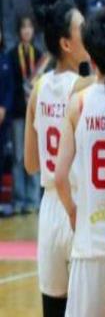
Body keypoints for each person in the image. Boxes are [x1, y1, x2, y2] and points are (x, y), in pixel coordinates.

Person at [54, 10, 105, 316]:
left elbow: (59, 176)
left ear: (90, 57)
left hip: (89, 240)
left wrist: (73, 212)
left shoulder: (78, 104)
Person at [24, 0, 89, 316]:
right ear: (66, 43)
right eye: (82, 28)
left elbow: (31, 164)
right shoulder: (87, 88)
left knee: (52, 309)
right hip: (79, 206)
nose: (88, 33)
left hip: (50, 209)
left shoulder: (38, 89)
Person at [9, 13, 44, 214]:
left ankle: (33, 199)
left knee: (34, 155)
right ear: (19, 31)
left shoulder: (39, 55)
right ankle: (19, 199)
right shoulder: (12, 55)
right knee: (18, 157)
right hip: (17, 113)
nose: (27, 30)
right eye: (23, 27)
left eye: (30, 27)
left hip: (36, 113)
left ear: (33, 30)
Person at [0, 23, 14, 217]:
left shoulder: (6, 59)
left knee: (2, 158)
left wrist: (4, 108)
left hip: (3, 119)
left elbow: (11, 87)